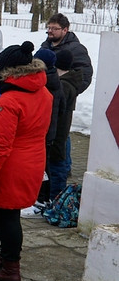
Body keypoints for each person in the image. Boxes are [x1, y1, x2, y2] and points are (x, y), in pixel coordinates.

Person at [0, 42, 53, 281]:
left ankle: (11, 269)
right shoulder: (44, 93)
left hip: (10, 165)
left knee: (7, 216)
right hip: (33, 160)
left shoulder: (10, 101)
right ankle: (5, 257)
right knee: (9, 215)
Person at [34, 48, 66, 205]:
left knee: (40, 167)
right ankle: (45, 198)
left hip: (40, 130)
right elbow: (62, 109)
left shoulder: (42, 82)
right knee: (45, 165)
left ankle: (40, 199)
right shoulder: (57, 81)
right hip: (50, 131)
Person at [50, 50, 82, 198]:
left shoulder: (63, 85)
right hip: (61, 131)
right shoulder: (70, 82)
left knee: (56, 166)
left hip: (58, 131)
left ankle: (55, 199)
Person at [40, 13, 93, 94]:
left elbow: (84, 76)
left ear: (65, 30)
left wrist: (66, 93)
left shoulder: (76, 49)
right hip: (42, 95)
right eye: (49, 28)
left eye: (54, 28)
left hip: (60, 100)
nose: (50, 31)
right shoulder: (45, 46)